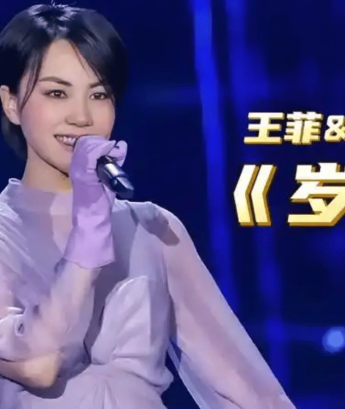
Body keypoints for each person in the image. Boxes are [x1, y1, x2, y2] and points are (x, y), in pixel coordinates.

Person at [0, 4, 294, 409]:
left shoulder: (154, 229)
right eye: (57, 93)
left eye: (99, 94)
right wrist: (88, 234)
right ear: (11, 103)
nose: (81, 116)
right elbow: (39, 364)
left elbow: (246, 389)